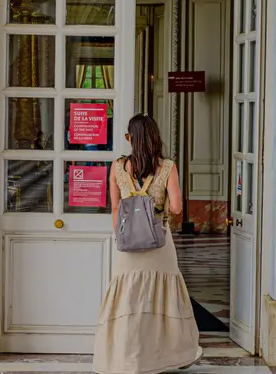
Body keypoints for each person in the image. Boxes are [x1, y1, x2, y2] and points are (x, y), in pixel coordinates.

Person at [93, 114, 202, 374]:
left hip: (128, 245)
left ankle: (125, 358)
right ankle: (170, 355)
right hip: (159, 243)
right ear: (155, 137)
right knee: (164, 299)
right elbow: (175, 208)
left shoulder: (118, 167)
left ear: (131, 139)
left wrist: (122, 237)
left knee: (127, 300)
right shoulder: (167, 167)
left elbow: (116, 208)